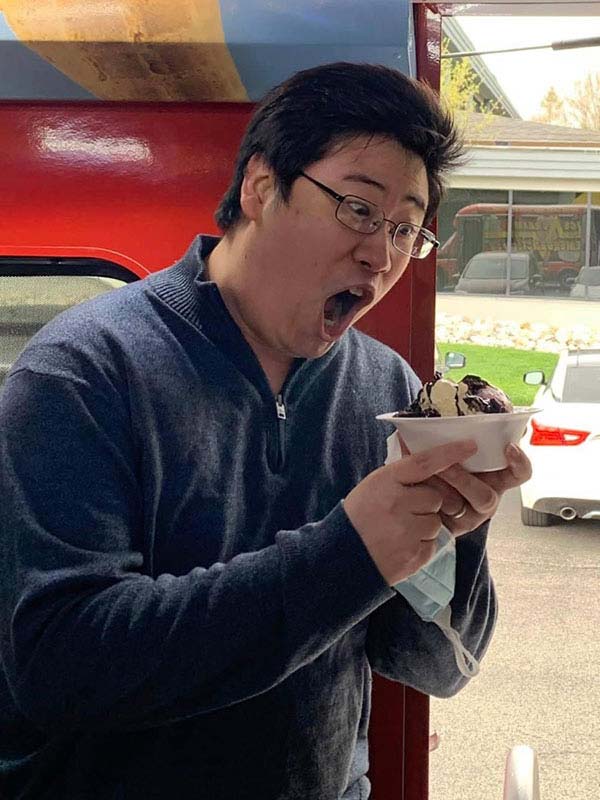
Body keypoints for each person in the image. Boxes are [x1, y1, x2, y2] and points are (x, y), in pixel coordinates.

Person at [0, 62, 531, 800]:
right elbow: (61, 669)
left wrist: (456, 523)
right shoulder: (85, 372)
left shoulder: (385, 388)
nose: (381, 255)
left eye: (407, 229)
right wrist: (348, 553)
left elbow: (436, 666)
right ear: (259, 186)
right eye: (357, 207)